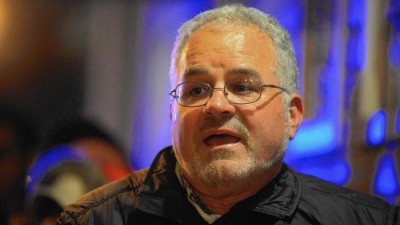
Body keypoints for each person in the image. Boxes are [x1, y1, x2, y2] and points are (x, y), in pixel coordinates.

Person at [58, 5, 400, 225]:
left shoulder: (366, 221)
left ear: (292, 115)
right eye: (195, 90)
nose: (217, 105)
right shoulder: (93, 220)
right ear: (172, 112)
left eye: (243, 87)